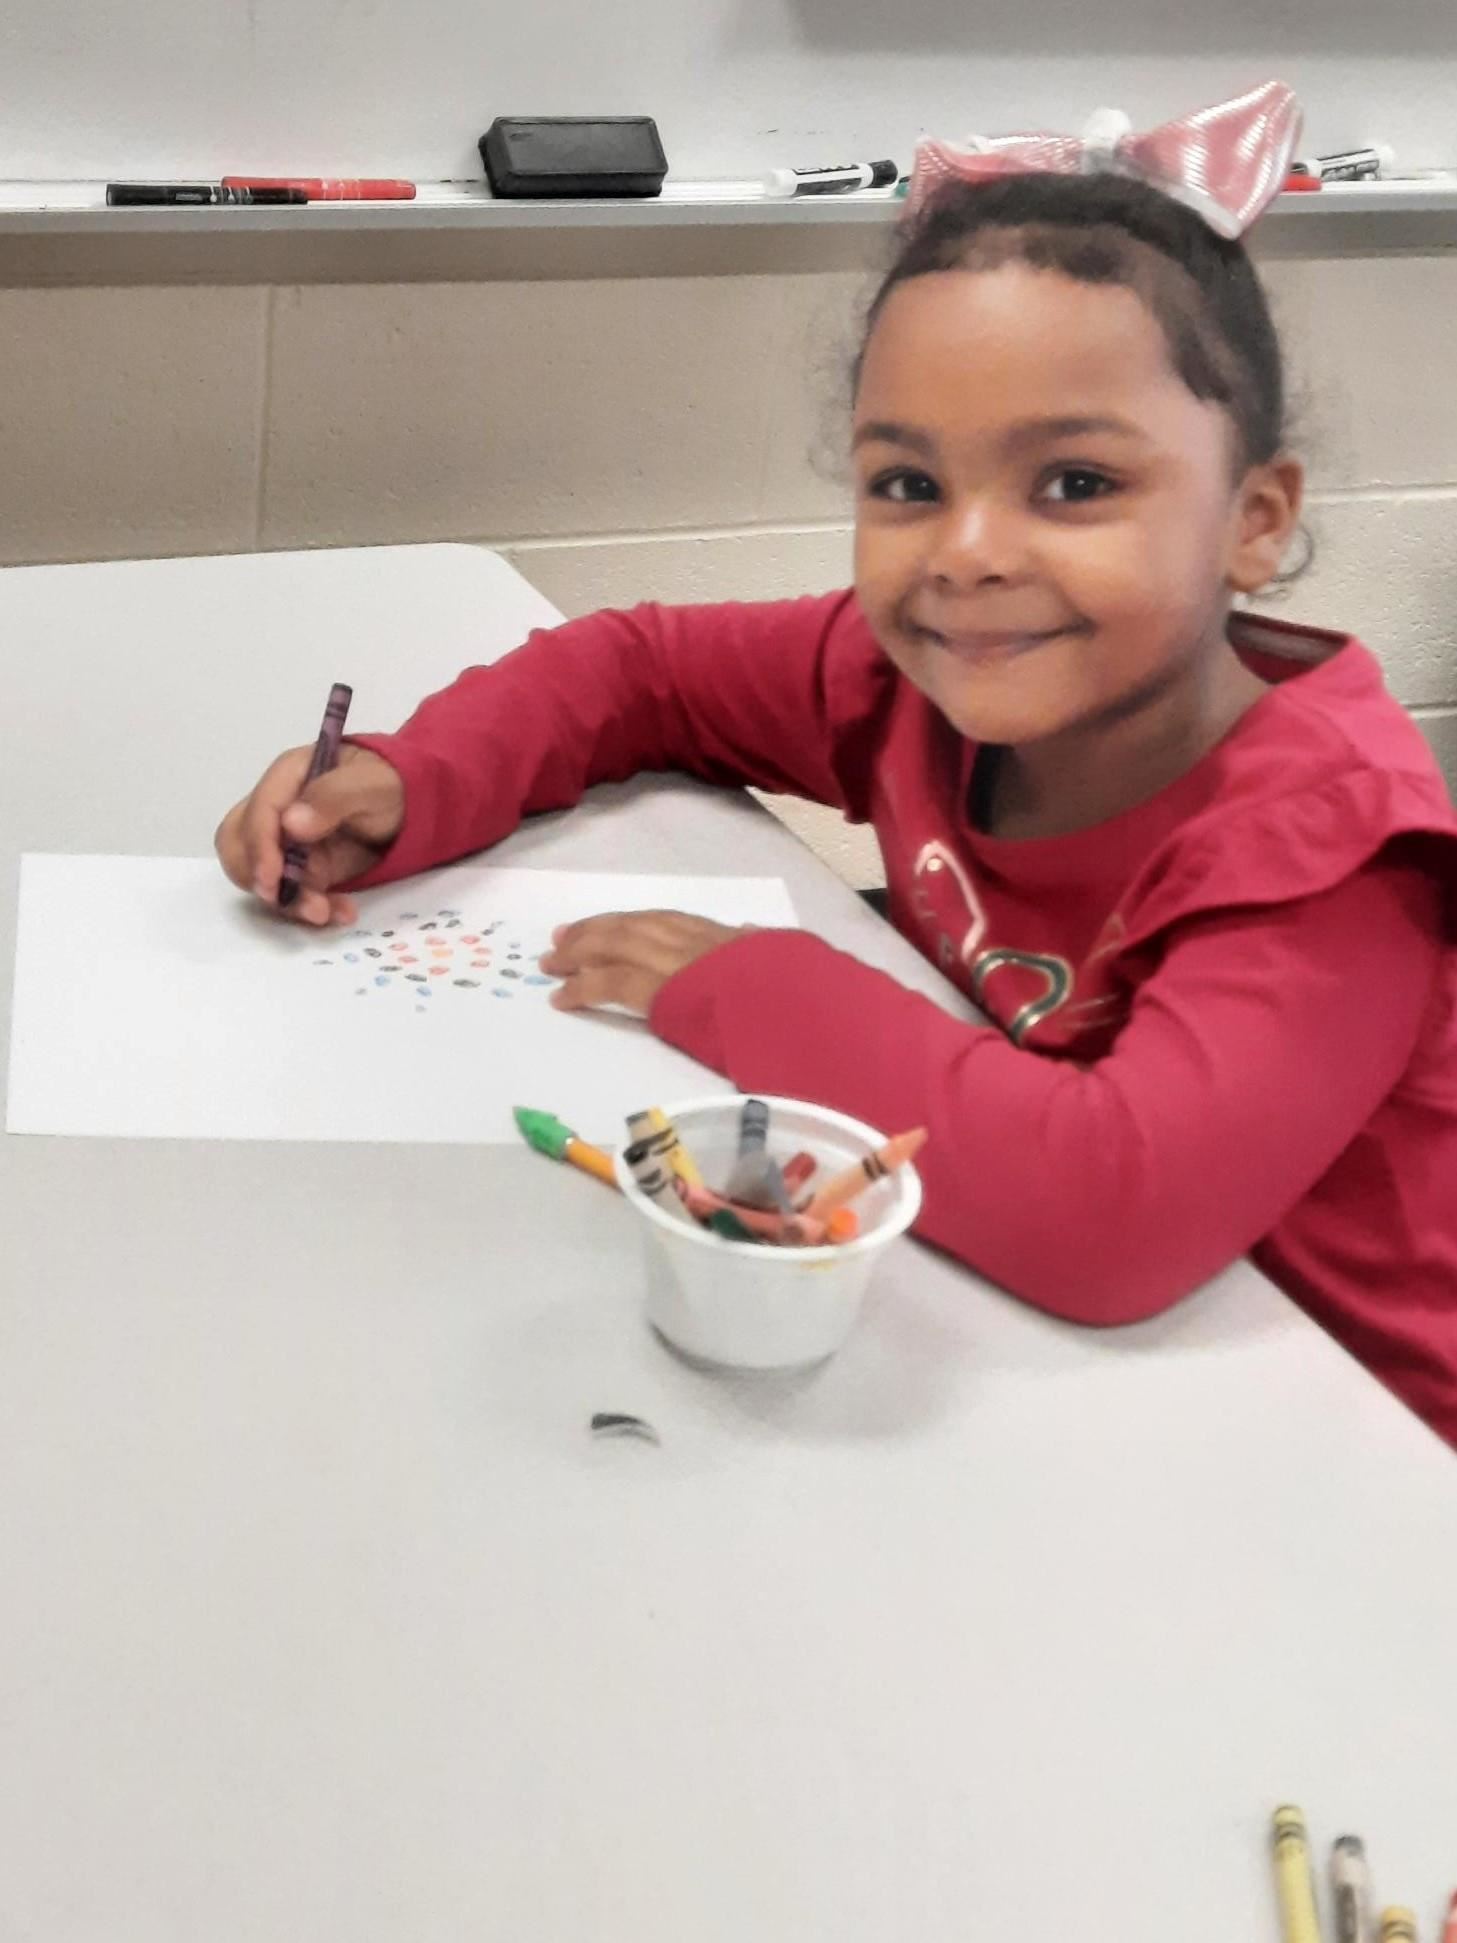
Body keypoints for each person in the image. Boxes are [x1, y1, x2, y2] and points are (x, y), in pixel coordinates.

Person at [217, 156, 1457, 1442]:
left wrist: (754, 988)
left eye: (1075, 483)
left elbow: (1106, 1210)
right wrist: (409, 779)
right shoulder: (908, 684)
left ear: (1252, 521)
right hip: (1069, 1382)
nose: (967, 556)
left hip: (1357, 1441)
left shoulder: (1335, 844)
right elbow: (639, 670)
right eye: (908, 485)